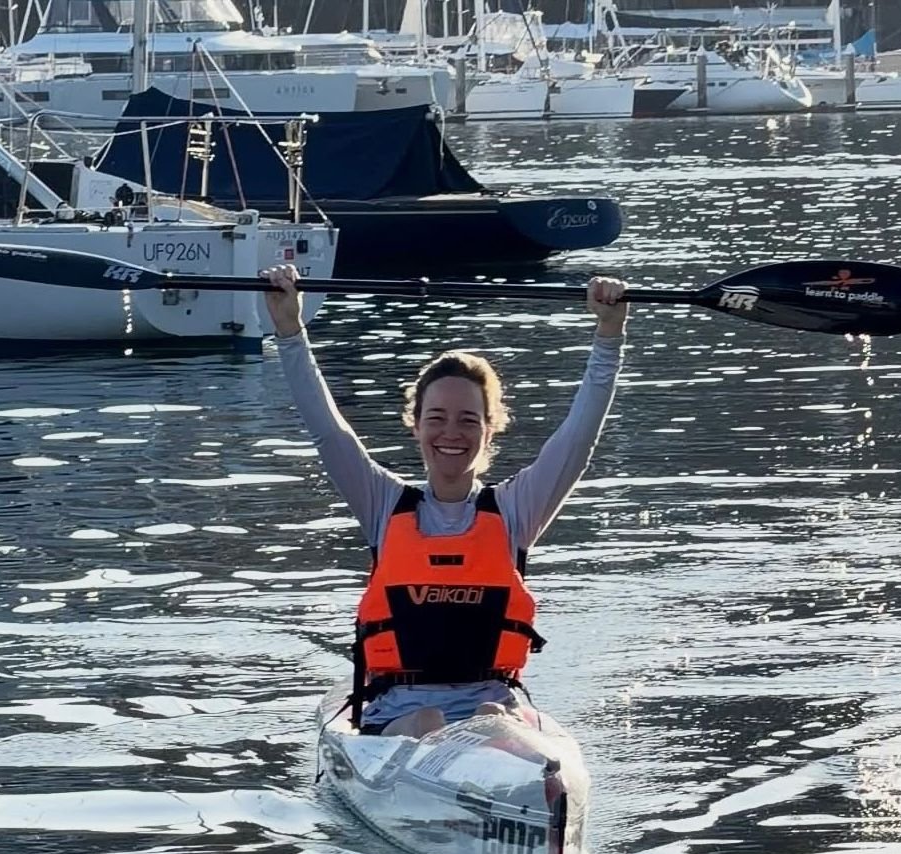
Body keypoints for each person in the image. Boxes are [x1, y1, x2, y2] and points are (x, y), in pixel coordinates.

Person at [260, 266, 628, 739]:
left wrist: (608, 335)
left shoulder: (515, 511)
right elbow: (328, 430)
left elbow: (579, 438)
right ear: (415, 425)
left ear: (489, 428)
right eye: (436, 417)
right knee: (430, 722)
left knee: (489, 724)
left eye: (468, 420)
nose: (451, 433)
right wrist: (290, 330)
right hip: (399, 718)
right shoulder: (383, 505)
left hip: (495, 715)